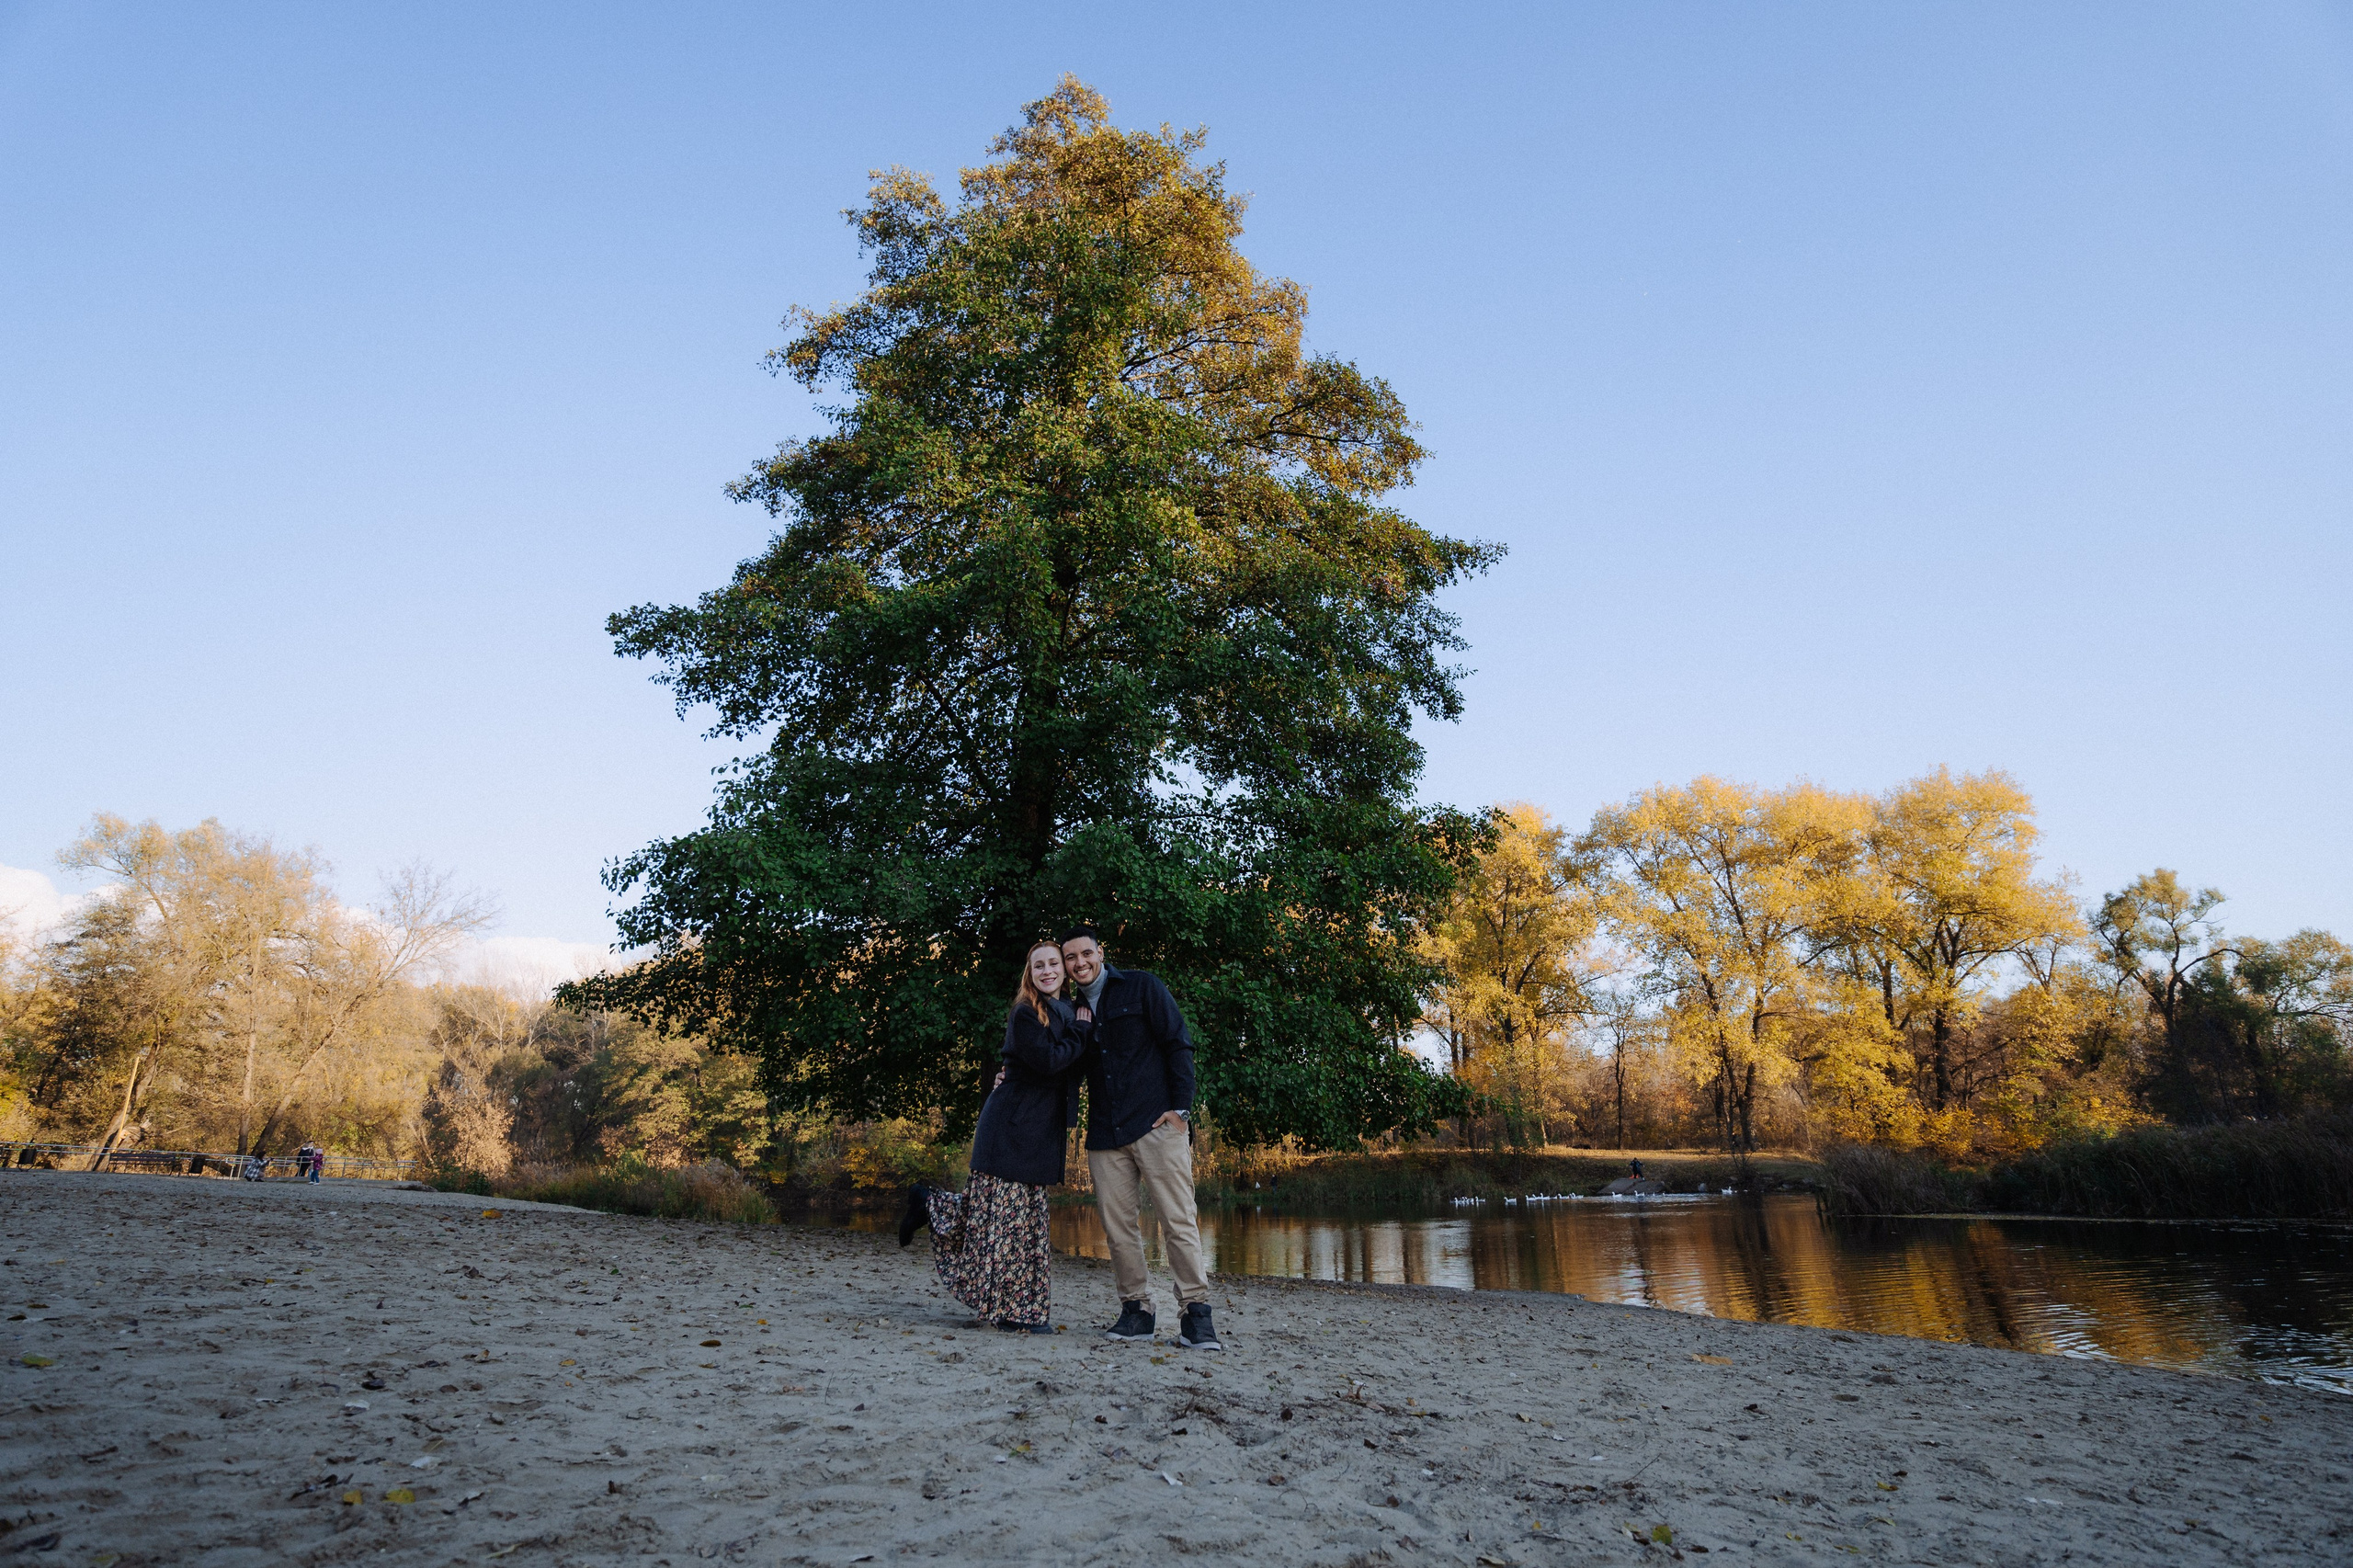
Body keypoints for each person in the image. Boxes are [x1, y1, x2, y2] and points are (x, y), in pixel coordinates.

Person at [898, 940, 1091, 1333]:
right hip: (1010, 1128)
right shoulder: (1026, 1013)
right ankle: (1012, 1312)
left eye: (1054, 963)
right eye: (1039, 965)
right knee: (1004, 1223)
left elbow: (1076, 1064)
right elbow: (1051, 1061)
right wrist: (1082, 1031)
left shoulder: (1071, 1011)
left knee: (1019, 1224)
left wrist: (1082, 1029)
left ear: (1065, 970)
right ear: (1030, 973)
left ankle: (931, 1204)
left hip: (1039, 1131)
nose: (1048, 971)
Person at [1060, 926, 1221, 1351]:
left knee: (1178, 1220)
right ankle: (1137, 1311)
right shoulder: (1068, 1010)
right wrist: (1011, 1073)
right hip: (1105, 1133)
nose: (1079, 963)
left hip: (1157, 1126)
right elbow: (1058, 1065)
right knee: (1118, 1229)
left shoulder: (1142, 986)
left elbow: (1178, 1043)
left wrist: (1181, 1111)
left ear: (1100, 953)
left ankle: (1196, 1315)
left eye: (1085, 953)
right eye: (1070, 957)